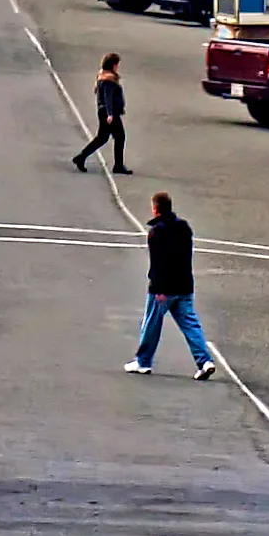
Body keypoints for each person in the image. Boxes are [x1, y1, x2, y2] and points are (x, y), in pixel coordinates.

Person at [124, 191, 215, 378]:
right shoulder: (184, 227)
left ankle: (143, 362)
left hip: (164, 288)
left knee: (151, 324)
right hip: (184, 285)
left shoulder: (156, 232)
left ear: (155, 209)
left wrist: (158, 288)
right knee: (190, 324)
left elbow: (157, 263)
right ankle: (205, 361)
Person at [71, 53, 129, 174]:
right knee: (120, 136)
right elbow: (108, 97)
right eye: (117, 64)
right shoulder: (109, 80)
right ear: (113, 65)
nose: (118, 67)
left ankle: (81, 157)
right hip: (110, 113)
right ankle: (118, 166)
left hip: (104, 112)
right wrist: (110, 113)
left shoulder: (103, 76)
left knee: (102, 138)